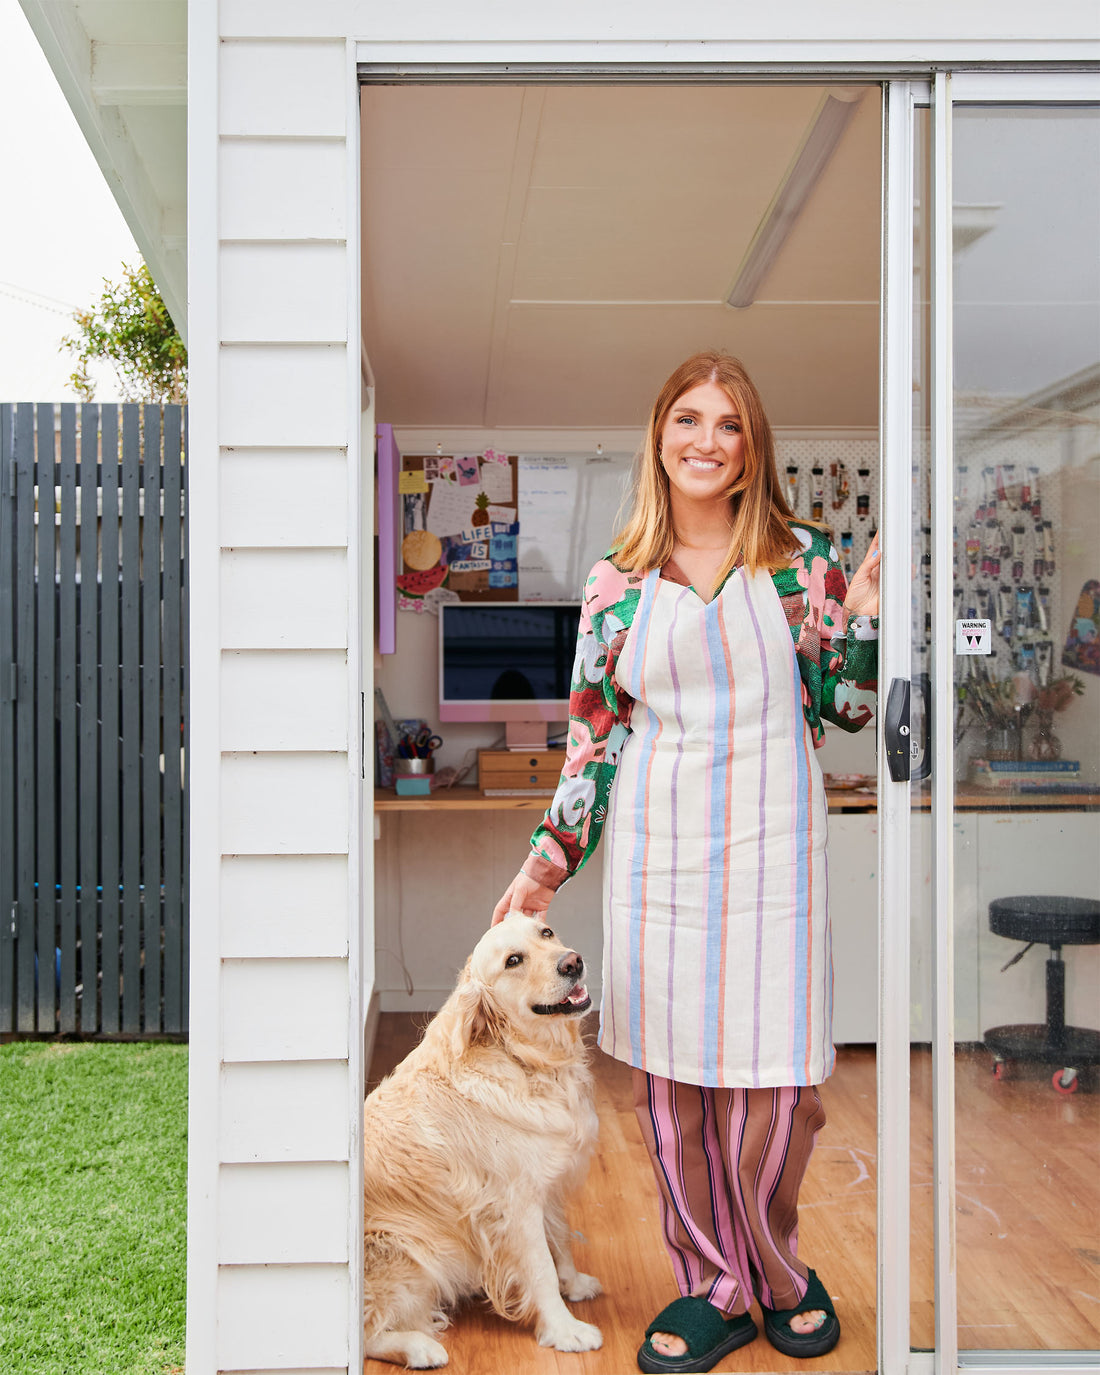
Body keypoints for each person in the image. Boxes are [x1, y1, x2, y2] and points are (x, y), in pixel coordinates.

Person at [492, 351, 880, 1374]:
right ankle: (713, 1285)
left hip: (773, 854)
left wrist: (865, 614)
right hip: (662, 863)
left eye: (728, 425)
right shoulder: (614, 584)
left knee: (777, 1091)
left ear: (751, 450)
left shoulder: (802, 565)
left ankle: (780, 1270)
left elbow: (845, 706)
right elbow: (593, 737)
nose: (705, 440)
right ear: (658, 436)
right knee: (673, 1095)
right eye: (687, 420)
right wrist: (544, 867)